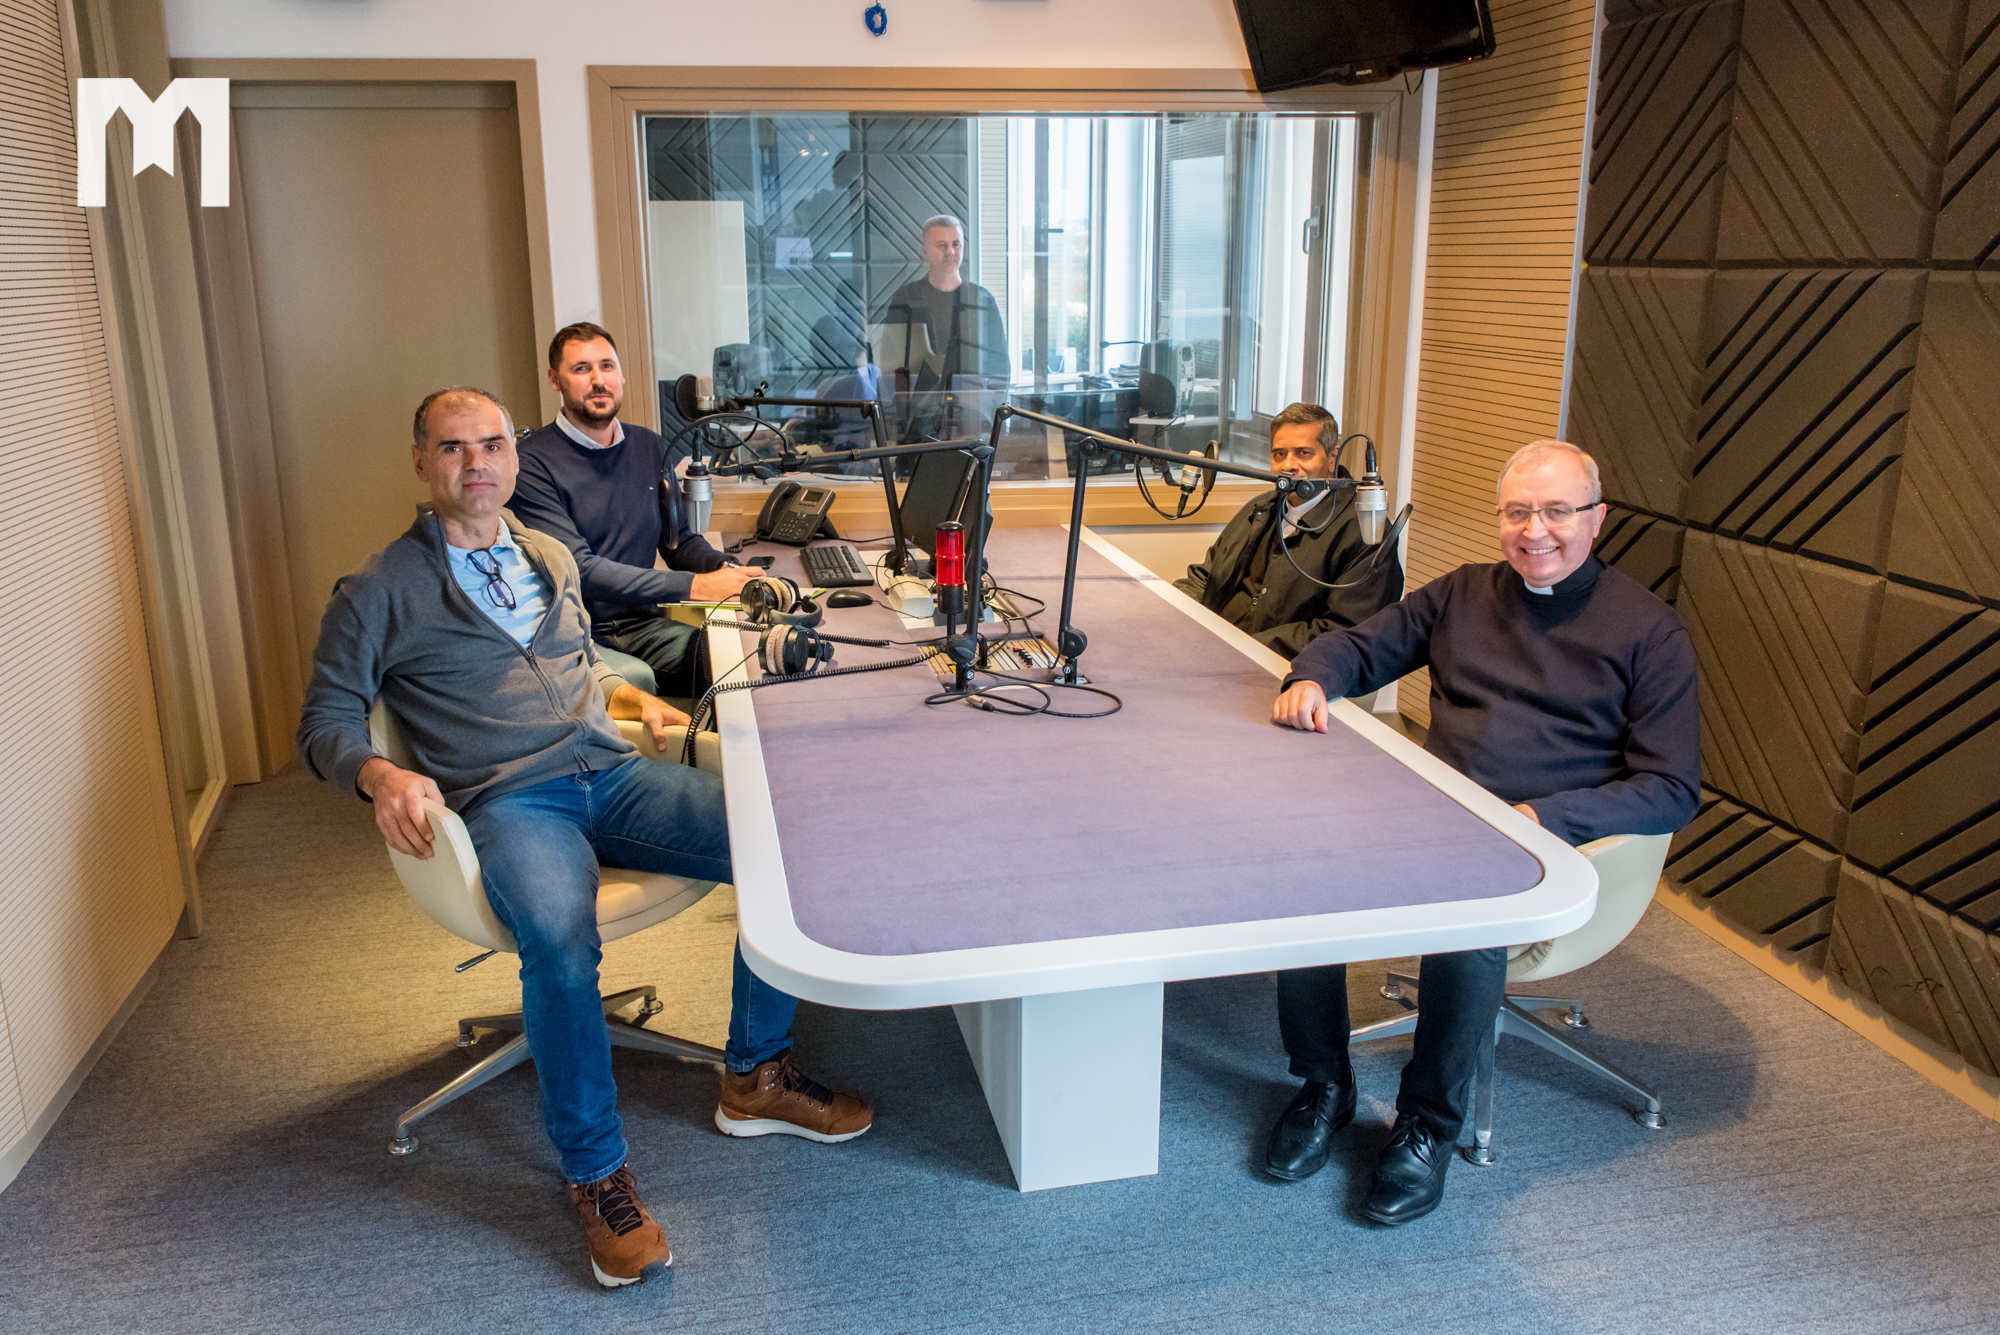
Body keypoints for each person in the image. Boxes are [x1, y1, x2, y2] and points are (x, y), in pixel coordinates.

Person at [297, 388, 871, 1289]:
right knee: (561, 943)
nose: (476, 463)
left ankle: (755, 1073)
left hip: (613, 773)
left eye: (491, 444)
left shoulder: (549, 556)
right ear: (421, 461)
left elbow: (576, 659)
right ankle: (597, 1174)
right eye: (453, 447)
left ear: (513, 456)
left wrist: (622, 692)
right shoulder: (377, 591)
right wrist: (380, 773)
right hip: (510, 802)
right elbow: (324, 721)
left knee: (779, 846)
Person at [1264, 439, 1698, 1226]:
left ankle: (1427, 1123)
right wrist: (1313, 676)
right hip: (1435, 817)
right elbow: (1360, 643)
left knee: (1470, 917)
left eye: (1557, 511)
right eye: (1518, 511)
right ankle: (1325, 1082)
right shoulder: (1463, 593)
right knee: (1303, 881)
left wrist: (1545, 817)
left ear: (1597, 519)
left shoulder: (1649, 630)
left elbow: (1671, 788)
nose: (1536, 530)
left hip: (1551, 845)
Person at [509, 322, 758, 700]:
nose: (598, 380)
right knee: (732, 666)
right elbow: (579, 570)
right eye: (581, 369)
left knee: (761, 647)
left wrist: (728, 570)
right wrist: (696, 585)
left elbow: (679, 541)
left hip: (645, 624)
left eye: (607, 366)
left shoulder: (649, 445)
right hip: (586, 634)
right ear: (554, 379)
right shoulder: (529, 464)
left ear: (621, 375)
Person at [1173, 403, 1402, 658]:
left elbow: (1345, 632)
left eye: (1303, 453)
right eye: (1279, 454)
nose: (1288, 465)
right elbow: (1206, 578)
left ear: (1332, 458)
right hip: (1215, 651)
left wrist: (1241, 647)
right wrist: (1169, 610)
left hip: (1282, 669)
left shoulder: (1365, 531)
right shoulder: (1261, 508)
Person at [882, 214, 1008, 409]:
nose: (950, 251)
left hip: (973, 412)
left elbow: (999, 364)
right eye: (941, 245)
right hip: (918, 412)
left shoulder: (982, 299)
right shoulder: (907, 299)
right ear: (925, 251)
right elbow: (891, 362)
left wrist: (992, 407)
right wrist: (902, 410)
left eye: (956, 244)